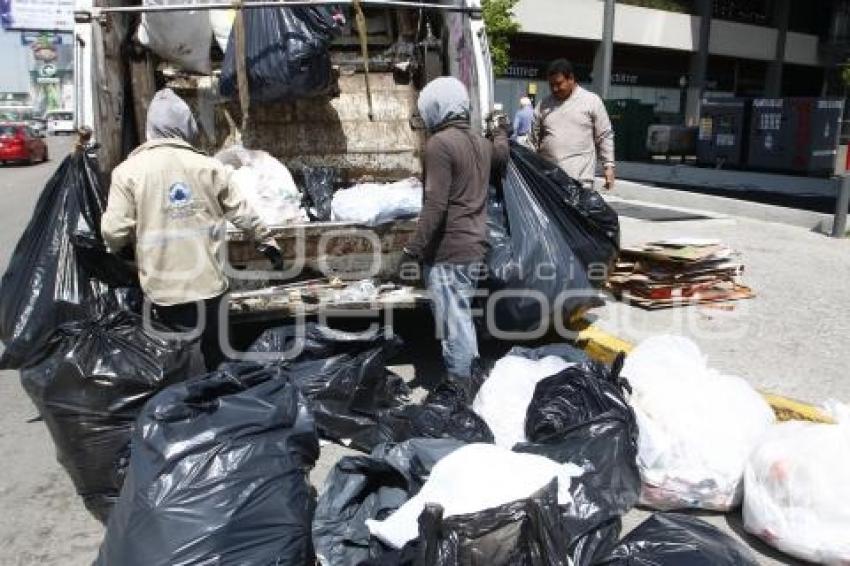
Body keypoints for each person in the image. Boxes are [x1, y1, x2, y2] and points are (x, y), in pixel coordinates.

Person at [101, 88, 283, 371]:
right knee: (219, 360)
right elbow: (242, 211)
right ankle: (221, 407)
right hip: (209, 286)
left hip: (164, 291)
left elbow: (113, 232)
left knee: (178, 363)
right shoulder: (209, 167)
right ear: (187, 126)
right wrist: (267, 241)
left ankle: (184, 408)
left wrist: (121, 252)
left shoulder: (128, 172)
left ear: (152, 129)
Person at [402, 77, 509, 387]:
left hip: (448, 252)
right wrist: (501, 130)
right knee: (462, 321)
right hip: (475, 247)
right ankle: (471, 384)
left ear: (438, 108)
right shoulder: (480, 142)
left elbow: (435, 204)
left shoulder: (440, 144)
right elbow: (502, 155)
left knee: (454, 327)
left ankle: (462, 393)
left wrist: (413, 249)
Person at [529, 58, 615, 190]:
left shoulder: (591, 101)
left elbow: (604, 135)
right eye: (551, 85)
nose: (555, 89)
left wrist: (608, 166)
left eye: (558, 84)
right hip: (548, 178)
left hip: (580, 180)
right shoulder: (543, 105)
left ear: (571, 79)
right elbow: (533, 141)